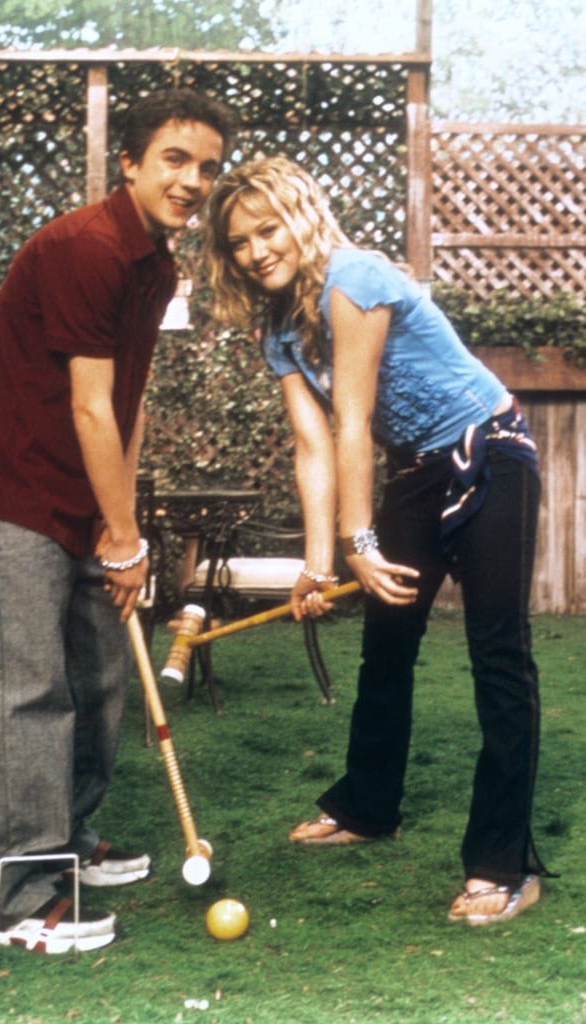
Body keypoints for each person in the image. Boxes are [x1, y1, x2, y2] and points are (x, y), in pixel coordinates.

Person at [0, 88, 235, 953]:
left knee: (97, 675)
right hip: (9, 492)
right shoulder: (87, 249)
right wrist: (128, 539)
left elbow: (124, 412)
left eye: (207, 167)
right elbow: (89, 408)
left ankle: (64, 844)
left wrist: (116, 525)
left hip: (76, 499)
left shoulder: (156, 264)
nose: (192, 180)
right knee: (24, 693)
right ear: (129, 162)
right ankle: (5, 901)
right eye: (174, 159)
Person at [205, 155, 549, 926]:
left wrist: (358, 536)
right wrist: (320, 565)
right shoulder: (279, 330)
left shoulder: (352, 278)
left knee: (498, 650)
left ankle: (504, 863)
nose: (257, 250)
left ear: (301, 214)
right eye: (238, 242)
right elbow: (313, 446)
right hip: (416, 471)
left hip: (489, 449)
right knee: (386, 643)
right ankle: (367, 805)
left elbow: (351, 419)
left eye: (267, 229)